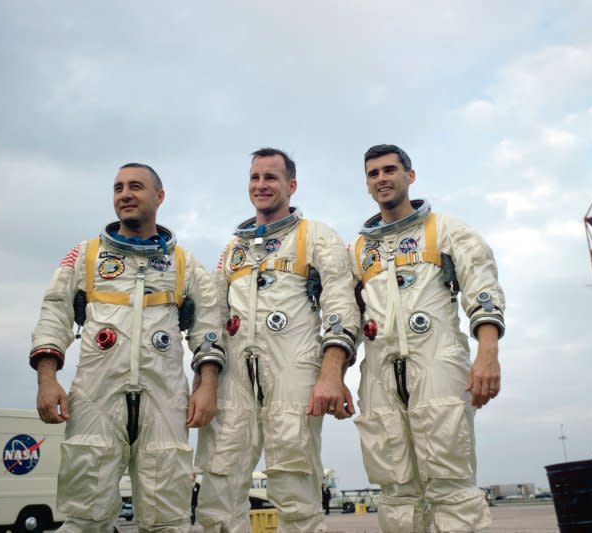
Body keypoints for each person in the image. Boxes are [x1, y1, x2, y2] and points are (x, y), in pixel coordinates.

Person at [30, 163, 225, 533]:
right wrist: (47, 378)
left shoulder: (184, 263)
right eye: (118, 187)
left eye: (136, 186)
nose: (125, 194)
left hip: (165, 398)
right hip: (96, 395)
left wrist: (207, 384)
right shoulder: (85, 256)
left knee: (167, 516)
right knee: (85, 513)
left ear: (159, 197)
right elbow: (53, 311)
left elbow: (209, 325)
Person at [195, 148, 360, 533]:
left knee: (294, 483)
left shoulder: (314, 236)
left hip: (294, 370)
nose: (261, 185)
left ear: (291, 185)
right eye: (255, 178)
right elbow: (211, 318)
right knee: (218, 484)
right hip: (235, 376)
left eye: (271, 178)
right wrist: (205, 382)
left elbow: (340, 304)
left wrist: (331, 373)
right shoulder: (233, 250)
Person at [350, 145, 504, 532]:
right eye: (373, 174)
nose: (381, 179)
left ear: (410, 176)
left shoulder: (444, 230)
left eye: (389, 170)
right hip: (381, 373)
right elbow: (345, 316)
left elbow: (481, 290)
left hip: (437, 361)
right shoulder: (358, 250)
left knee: (451, 483)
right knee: (396, 490)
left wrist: (487, 353)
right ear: (367, 185)